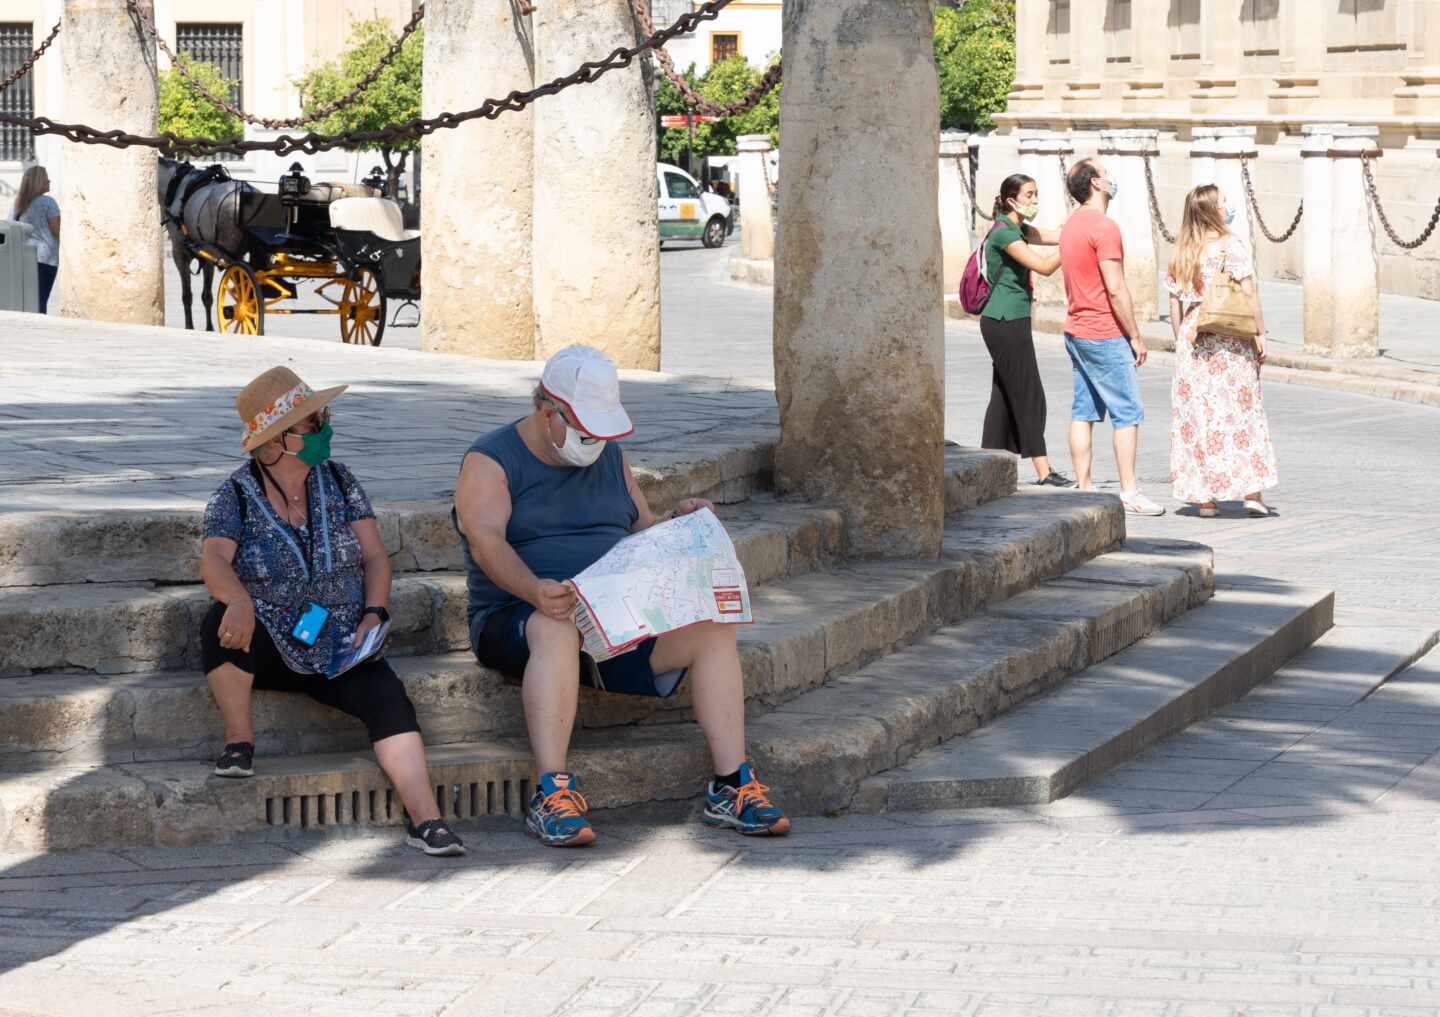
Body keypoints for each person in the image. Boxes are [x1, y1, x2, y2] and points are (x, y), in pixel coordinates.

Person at [453, 345, 790, 848]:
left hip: (612, 617)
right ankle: (551, 792)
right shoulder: (491, 459)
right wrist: (534, 590)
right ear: (549, 413)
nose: (596, 443)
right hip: (520, 615)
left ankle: (730, 784)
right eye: (587, 431)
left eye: (603, 433)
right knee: (555, 625)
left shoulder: (609, 456)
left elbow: (641, 532)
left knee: (714, 626)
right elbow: (486, 541)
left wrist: (680, 524)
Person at [200, 366, 465, 857]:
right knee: (217, 624)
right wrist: (238, 599)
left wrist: (374, 613)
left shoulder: (340, 481)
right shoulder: (234, 493)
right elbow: (214, 557)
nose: (325, 427)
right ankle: (240, 741)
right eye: (312, 422)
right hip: (273, 637)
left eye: (322, 416)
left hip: (340, 638)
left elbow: (375, 557)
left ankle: (427, 820)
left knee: (390, 698)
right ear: (279, 441)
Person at [1058, 159, 1165, 516]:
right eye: (1105, 173)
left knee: (1083, 410)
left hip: (1075, 328)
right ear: (1096, 184)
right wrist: (1135, 335)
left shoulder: (1071, 225)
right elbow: (1116, 287)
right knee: (1127, 413)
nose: (1111, 177)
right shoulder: (1104, 228)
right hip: (1104, 331)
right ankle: (1130, 491)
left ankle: (1084, 486)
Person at [1164, 185, 1278, 517]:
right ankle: (1251, 494)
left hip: (1194, 334)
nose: (1228, 207)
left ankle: (1204, 499)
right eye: (1224, 202)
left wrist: (1180, 339)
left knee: (1197, 416)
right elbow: (1249, 292)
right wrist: (1260, 331)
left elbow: (1174, 302)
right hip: (1229, 334)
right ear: (1213, 210)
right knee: (1241, 413)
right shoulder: (1232, 246)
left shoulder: (1183, 250)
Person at [979, 173, 1073, 487]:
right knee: (1029, 394)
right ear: (1011, 199)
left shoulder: (1018, 228)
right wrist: (1073, 241)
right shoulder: (1005, 233)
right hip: (1005, 321)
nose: (1034, 201)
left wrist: (1079, 222)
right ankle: (1044, 471)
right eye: (1029, 195)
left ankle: (988, 465)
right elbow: (1045, 267)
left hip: (1009, 320)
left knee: (1004, 395)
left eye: (1036, 194)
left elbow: (1056, 235)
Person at [10, 165, 60, 313]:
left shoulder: (18, 204)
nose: (49, 181)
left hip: (23, 257)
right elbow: (56, 230)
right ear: (39, 182)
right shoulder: (48, 202)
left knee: (26, 301)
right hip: (45, 258)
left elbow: (11, 226)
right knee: (40, 300)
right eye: (46, 179)